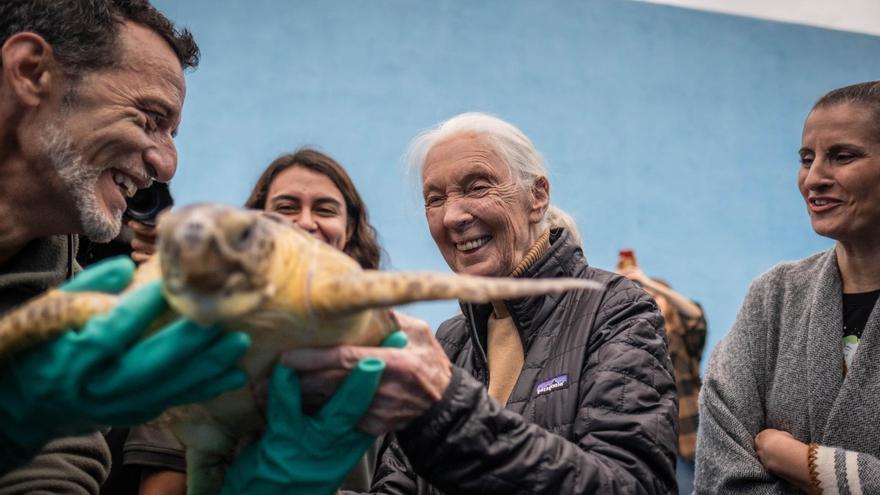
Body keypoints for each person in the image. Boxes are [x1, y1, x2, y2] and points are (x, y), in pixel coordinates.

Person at [285, 112, 679, 493]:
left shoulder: (617, 311)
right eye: (434, 198)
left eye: (477, 187)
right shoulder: (450, 341)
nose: (453, 216)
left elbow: (628, 484)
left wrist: (448, 409)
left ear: (537, 196)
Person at [0, 2, 256, 493]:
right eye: (151, 118)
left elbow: (55, 450)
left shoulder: (55, 259)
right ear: (31, 72)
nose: (167, 165)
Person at [123, 148, 387, 494]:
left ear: (349, 230)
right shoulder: (198, 341)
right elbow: (163, 487)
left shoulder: (389, 352)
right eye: (286, 207)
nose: (305, 223)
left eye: (325, 209)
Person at [695, 81, 880, 493]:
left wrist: (805, 463)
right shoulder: (774, 297)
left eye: (842, 156)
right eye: (806, 159)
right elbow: (720, 472)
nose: (814, 179)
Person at [616, 256, 707, 495]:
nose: (651, 300)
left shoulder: (683, 339)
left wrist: (647, 282)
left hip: (691, 437)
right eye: (646, 297)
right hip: (656, 439)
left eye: (656, 297)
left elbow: (694, 314)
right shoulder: (635, 341)